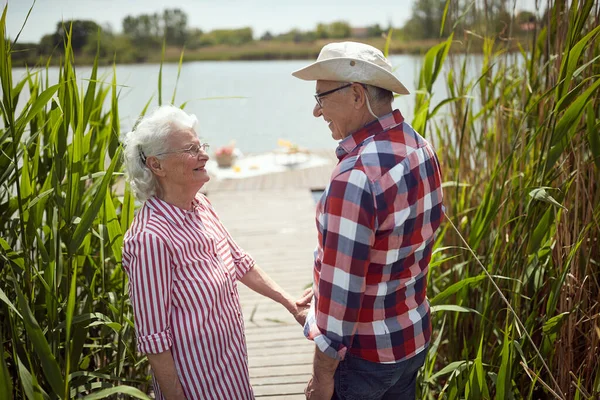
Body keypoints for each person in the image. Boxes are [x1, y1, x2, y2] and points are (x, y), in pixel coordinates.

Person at [121, 105, 307, 400]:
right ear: (157, 165)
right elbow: (154, 341)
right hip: (197, 387)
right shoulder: (149, 239)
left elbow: (239, 262)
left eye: (201, 145)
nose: (204, 155)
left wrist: (290, 302)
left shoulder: (201, 206)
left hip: (232, 374)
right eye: (190, 149)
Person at [292, 42, 444, 400]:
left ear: (357, 95)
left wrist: (322, 377)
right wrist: (319, 293)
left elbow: (342, 298)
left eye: (322, 97)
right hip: (410, 341)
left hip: (365, 357)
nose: (317, 111)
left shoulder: (355, 175)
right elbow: (396, 250)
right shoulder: (419, 147)